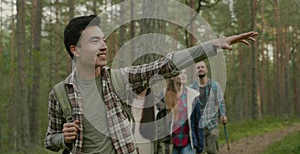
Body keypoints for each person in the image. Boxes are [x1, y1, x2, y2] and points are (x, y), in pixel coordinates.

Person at [44, 14, 257, 154]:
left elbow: (164, 65)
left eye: (104, 40)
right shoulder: (60, 93)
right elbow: (50, 139)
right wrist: (63, 138)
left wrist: (212, 45)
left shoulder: (120, 79)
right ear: (76, 50)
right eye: (94, 41)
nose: (104, 47)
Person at [155, 69, 203, 154]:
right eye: (180, 73)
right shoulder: (164, 95)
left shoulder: (193, 95)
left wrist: (200, 144)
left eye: (185, 73)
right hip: (170, 143)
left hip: (188, 142)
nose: (183, 75)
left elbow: (198, 121)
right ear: (173, 77)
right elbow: (157, 120)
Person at [190, 61, 227, 154]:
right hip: (198, 125)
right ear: (195, 71)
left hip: (212, 123)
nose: (200, 69)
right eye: (198, 68)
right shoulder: (191, 88)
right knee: (199, 151)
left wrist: (223, 115)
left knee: (212, 151)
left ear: (206, 70)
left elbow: (220, 102)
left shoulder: (215, 86)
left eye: (202, 67)